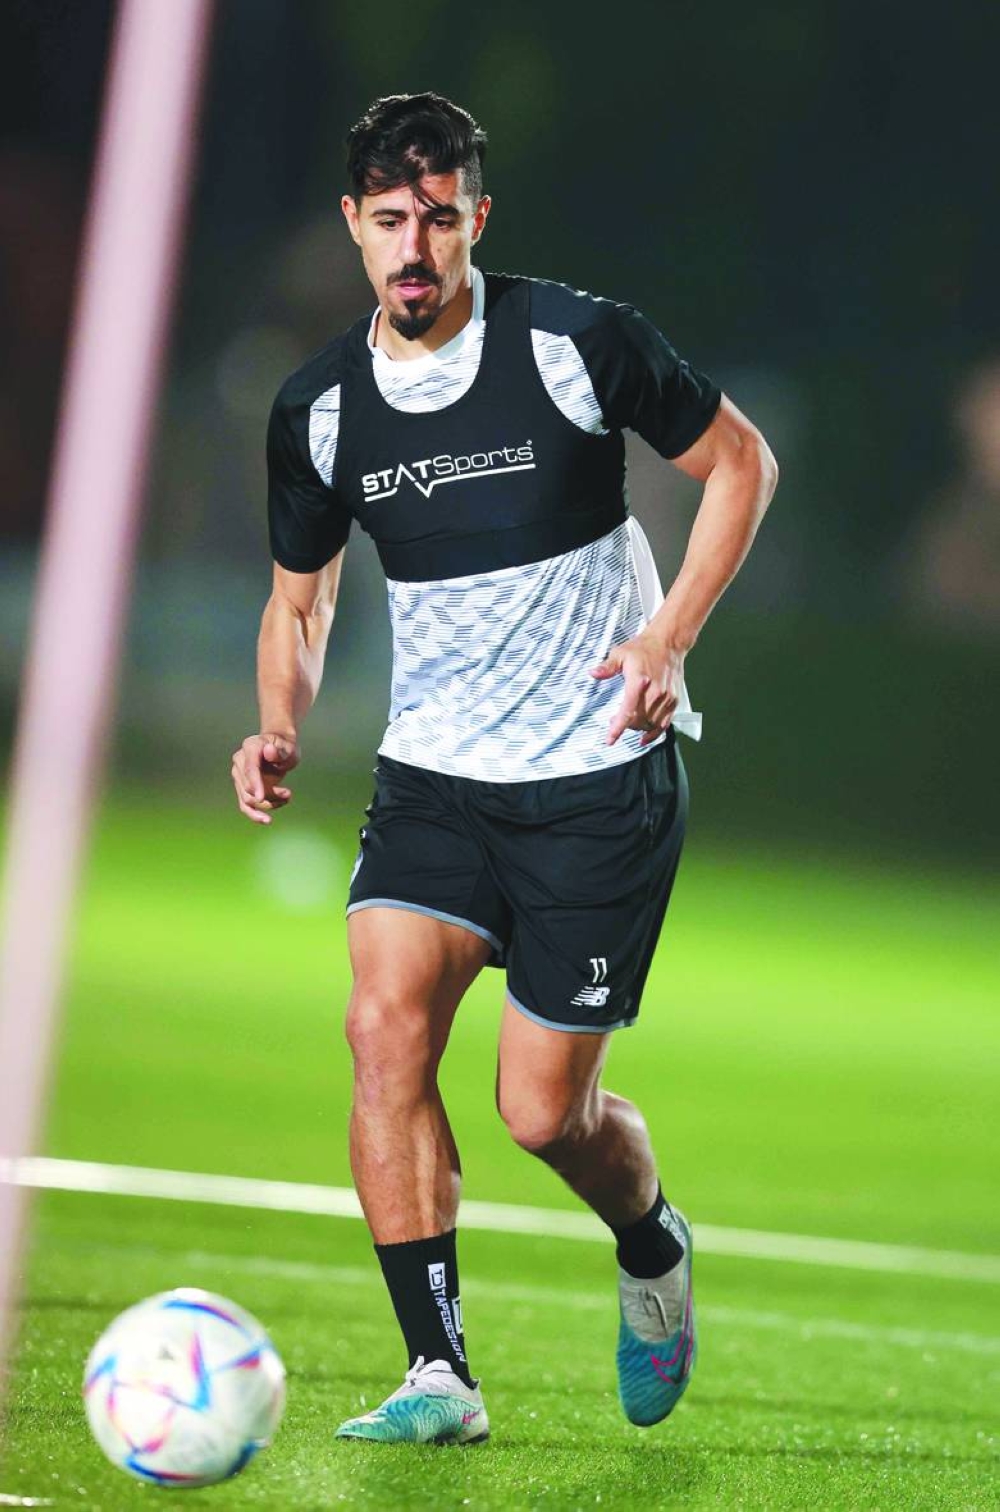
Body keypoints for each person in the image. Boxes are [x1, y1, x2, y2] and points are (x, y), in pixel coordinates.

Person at [231, 92, 778, 1445]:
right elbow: (300, 602)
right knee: (380, 1026)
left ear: (477, 217)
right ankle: (439, 1375)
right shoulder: (318, 410)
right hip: (435, 781)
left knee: (543, 1114)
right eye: (388, 220)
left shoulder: (575, 343)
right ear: (354, 227)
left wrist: (667, 633)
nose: (413, 246)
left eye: (438, 217)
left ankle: (650, 1244)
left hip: (597, 779)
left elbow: (740, 464)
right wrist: (280, 721)